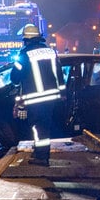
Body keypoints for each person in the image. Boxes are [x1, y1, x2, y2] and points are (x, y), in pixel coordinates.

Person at [10, 24, 64, 166]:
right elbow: (59, 73)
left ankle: (41, 157)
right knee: (44, 126)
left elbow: (14, 78)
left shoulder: (24, 54)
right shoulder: (50, 52)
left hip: (35, 98)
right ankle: (40, 151)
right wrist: (63, 92)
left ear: (26, 39)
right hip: (51, 97)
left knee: (38, 127)